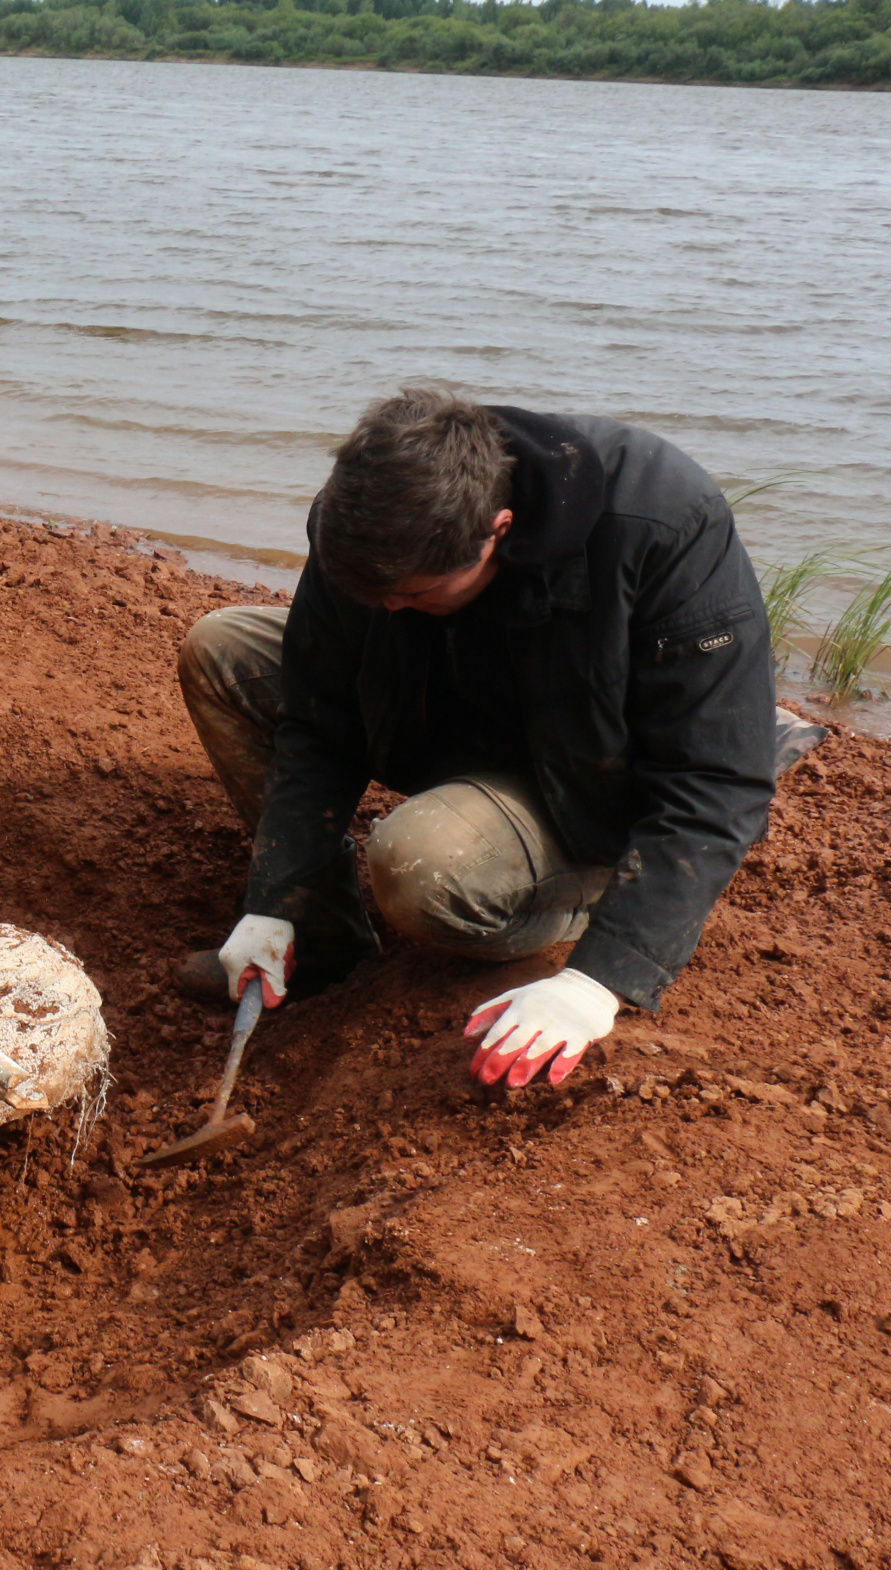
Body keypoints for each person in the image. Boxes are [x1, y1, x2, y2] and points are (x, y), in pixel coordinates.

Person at [176, 387, 816, 1089]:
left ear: (498, 529)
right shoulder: (363, 524)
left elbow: (717, 786)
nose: (390, 608)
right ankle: (322, 944)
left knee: (419, 864)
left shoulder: (661, 522)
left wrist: (598, 980)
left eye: (412, 596)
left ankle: (582, 893)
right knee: (224, 648)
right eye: (375, 596)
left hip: (595, 773)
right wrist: (278, 900)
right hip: (468, 706)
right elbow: (318, 711)